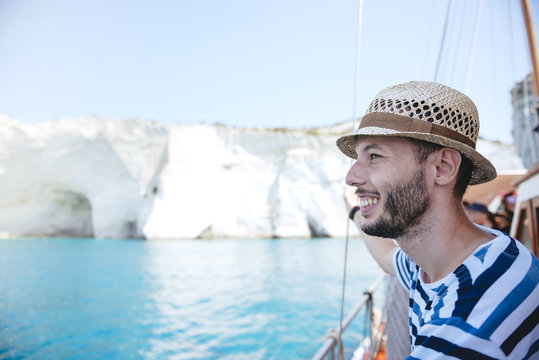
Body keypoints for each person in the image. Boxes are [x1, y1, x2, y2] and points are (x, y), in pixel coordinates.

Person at [337, 81, 538, 359]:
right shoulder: (455, 259)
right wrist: (355, 211)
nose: (351, 177)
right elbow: (387, 258)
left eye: (374, 155)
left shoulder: (470, 323)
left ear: (442, 168)